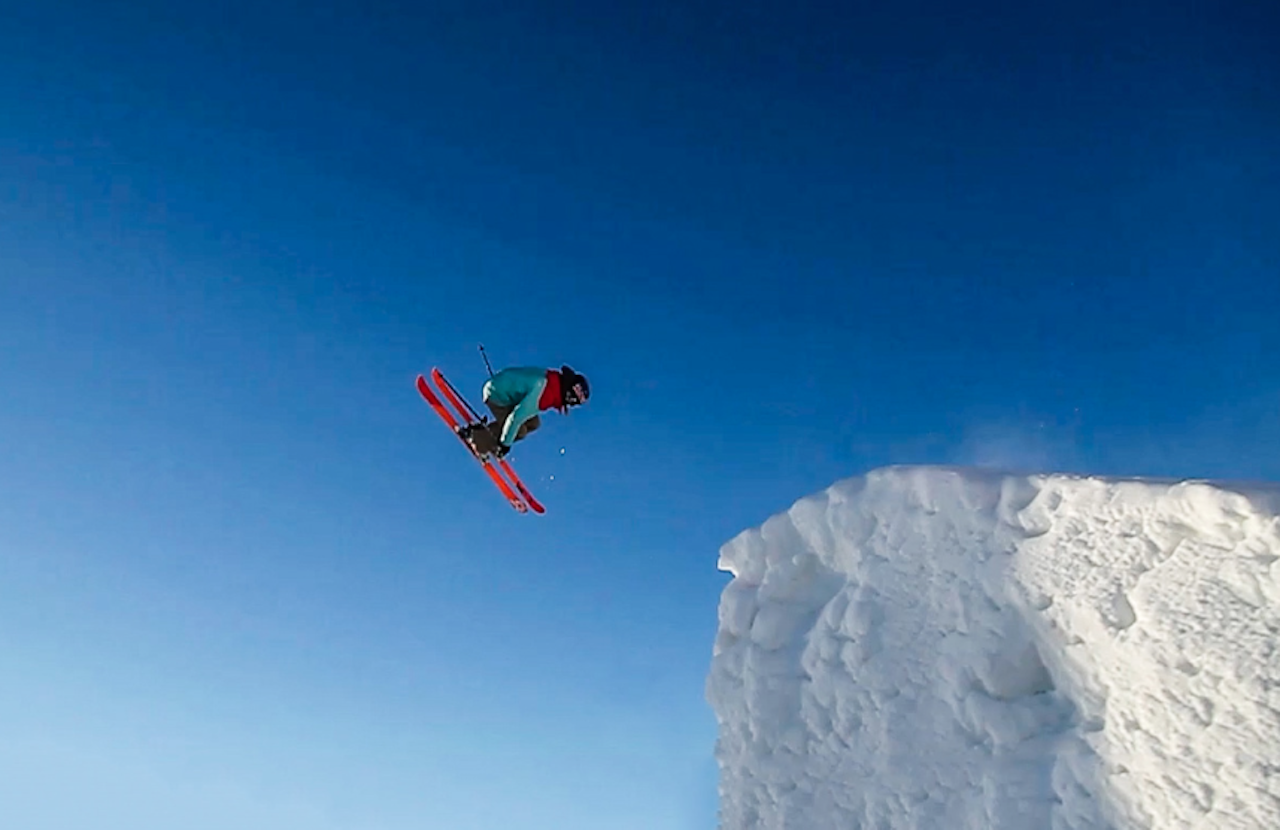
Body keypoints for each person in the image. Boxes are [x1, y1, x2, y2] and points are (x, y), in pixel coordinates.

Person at [460, 365, 590, 458]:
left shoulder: (552, 383)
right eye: (574, 399)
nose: (571, 402)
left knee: (534, 423)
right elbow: (516, 417)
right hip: (496, 395)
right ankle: (477, 439)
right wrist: (505, 445)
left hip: (506, 391)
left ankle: (486, 433)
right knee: (519, 431)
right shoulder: (545, 391)